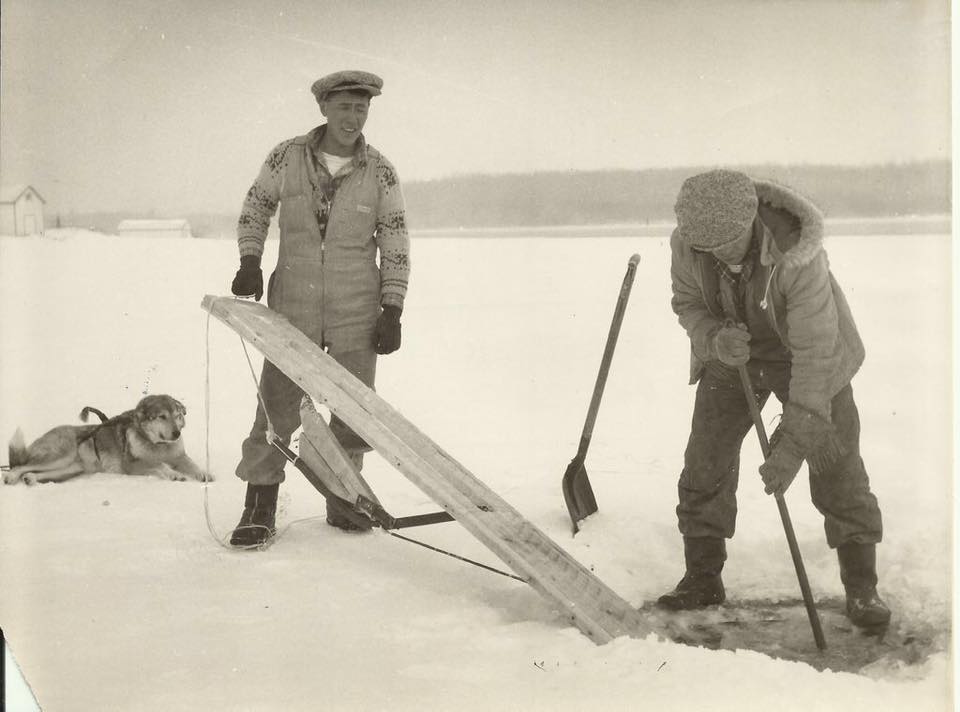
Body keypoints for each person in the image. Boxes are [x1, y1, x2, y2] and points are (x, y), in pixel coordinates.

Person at [660, 168, 890, 631]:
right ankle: (702, 578)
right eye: (707, 246)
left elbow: (815, 350)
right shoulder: (688, 243)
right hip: (734, 353)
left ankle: (862, 587)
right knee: (706, 460)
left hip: (808, 358)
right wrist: (713, 339)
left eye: (727, 241)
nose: (717, 253)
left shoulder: (797, 258)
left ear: (751, 221)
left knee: (835, 466)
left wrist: (794, 442)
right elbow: (688, 303)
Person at [227, 70, 409, 547]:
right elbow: (255, 208)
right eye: (345, 107)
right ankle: (259, 504)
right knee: (278, 403)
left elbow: (394, 239)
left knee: (353, 408)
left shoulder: (381, 170)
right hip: (294, 301)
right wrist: (250, 259)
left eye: (361, 108)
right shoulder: (286, 157)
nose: (353, 118)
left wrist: (393, 306)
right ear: (324, 109)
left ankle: (343, 497)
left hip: (357, 304)